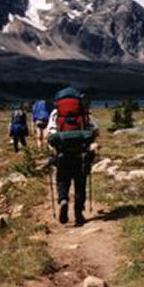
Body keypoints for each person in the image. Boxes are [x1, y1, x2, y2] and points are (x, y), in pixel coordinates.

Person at [46, 86, 98, 226]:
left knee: (62, 180)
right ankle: (78, 213)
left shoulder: (56, 113)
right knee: (80, 184)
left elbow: (50, 133)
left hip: (62, 153)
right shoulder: (84, 112)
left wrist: (52, 150)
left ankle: (63, 199)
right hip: (81, 153)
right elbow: (95, 130)